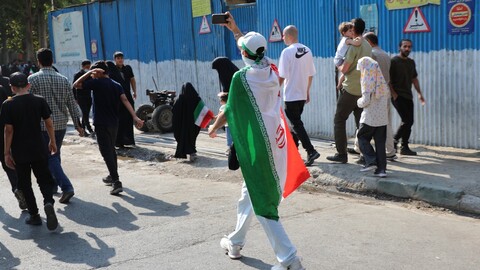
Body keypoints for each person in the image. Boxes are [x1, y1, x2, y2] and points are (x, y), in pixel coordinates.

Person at [208, 12, 308, 270]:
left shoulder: (240, 79)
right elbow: (253, 52)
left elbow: (228, 110)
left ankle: (289, 259)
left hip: (258, 148)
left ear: (244, 55)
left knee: (263, 203)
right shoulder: (272, 70)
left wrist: (213, 128)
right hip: (276, 142)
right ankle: (236, 242)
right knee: (247, 195)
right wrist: (236, 30)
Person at [73, 61, 143, 195]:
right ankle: (112, 175)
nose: (92, 75)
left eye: (94, 73)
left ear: (99, 72)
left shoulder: (96, 83)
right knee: (111, 150)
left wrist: (88, 73)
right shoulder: (116, 85)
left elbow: (76, 85)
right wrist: (135, 117)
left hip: (101, 123)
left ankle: (116, 181)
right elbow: (125, 100)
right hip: (114, 123)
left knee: (106, 152)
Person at [3, 72, 58, 230]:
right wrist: (52, 141)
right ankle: (48, 201)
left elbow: (8, 130)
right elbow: (48, 123)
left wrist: (6, 152)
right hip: (39, 147)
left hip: (20, 151)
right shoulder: (39, 100)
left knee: (25, 183)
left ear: (12, 88)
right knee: (44, 179)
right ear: (29, 85)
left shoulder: (8, 104)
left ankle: (34, 215)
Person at [28, 48, 83, 204]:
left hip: (43, 125)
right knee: (55, 155)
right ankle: (53, 187)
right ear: (52, 61)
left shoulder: (33, 80)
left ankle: (66, 187)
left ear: (38, 61)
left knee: (50, 157)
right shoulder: (63, 79)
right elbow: (71, 104)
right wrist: (78, 125)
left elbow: (28, 102)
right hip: (61, 125)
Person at [327, 18, 372, 164]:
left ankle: (341, 154)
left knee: (339, 120)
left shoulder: (353, 47)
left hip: (350, 89)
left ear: (353, 29)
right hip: (362, 89)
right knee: (361, 123)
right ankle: (365, 155)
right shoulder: (367, 45)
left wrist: (339, 68)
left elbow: (345, 69)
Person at [278, 25, 320, 167]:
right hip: (301, 94)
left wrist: (274, 90)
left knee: (296, 124)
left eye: (283, 36)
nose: (282, 38)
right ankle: (294, 153)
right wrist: (307, 91)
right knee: (294, 125)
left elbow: (282, 75)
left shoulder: (287, 52)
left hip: (290, 94)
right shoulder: (307, 50)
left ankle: (310, 150)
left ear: (288, 36)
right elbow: (310, 74)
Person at [363, 32, 397, 161]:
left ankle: (360, 148)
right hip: (385, 91)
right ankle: (390, 150)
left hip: (374, 92)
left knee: (365, 121)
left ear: (369, 42)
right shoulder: (386, 55)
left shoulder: (371, 55)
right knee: (386, 122)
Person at [390, 39, 426, 156]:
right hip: (397, 96)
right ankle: (394, 141)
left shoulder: (411, 62)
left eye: (409, 47)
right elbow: (387, 79)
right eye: (405, 46)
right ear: (400, 47)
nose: (407, 49)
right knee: (407, 120)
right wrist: (393, 94)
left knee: (409, 122)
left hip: (407, 96)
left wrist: (420, 93)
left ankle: (404, 147)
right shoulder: (394, 61)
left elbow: (414, 79)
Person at [356, 57, 390, 177]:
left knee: (361, 137)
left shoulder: (367, 82)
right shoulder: (382, 83)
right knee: (380, 144)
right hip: (382, 118)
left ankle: (370, 161)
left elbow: (365, 101)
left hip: (369, 117)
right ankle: (381, 170)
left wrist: (358, 102)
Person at [0, 67, 27, 210]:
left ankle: (18, 189)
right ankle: (17, 188)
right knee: (9, 165)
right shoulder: (3, 87)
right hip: (3, 130)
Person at [172, 83, 210, 162]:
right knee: (191, 138)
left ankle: (182, 152)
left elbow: (174, 111)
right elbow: (203, 109)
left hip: (181, 125)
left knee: (182, 137)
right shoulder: (196, 98)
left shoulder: (179, 99)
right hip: (193, 125)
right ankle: (192, 153)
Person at [109, 51, 136, 148]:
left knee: (128, 118)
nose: (120, 60)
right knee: (119, 119)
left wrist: (134, 91)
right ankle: (118, 141)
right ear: (115, 60)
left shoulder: (127, 68)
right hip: (117, 98)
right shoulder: (111, 70)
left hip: (127, 96)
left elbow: (132, 79)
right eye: (118, 58)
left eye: (121, 58)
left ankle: (128, 140)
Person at [73, 60, 94, 136]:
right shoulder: (78, 75)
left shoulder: (90, 75)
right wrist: (75, 98)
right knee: (85, 113)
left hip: (88, 96)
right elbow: (73, 87)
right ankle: (89, 128)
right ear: (82, 66)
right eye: (86, 67)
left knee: (86, 114)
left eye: (89, 67)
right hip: (80, 96)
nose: (88, 68)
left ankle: (83, 129)